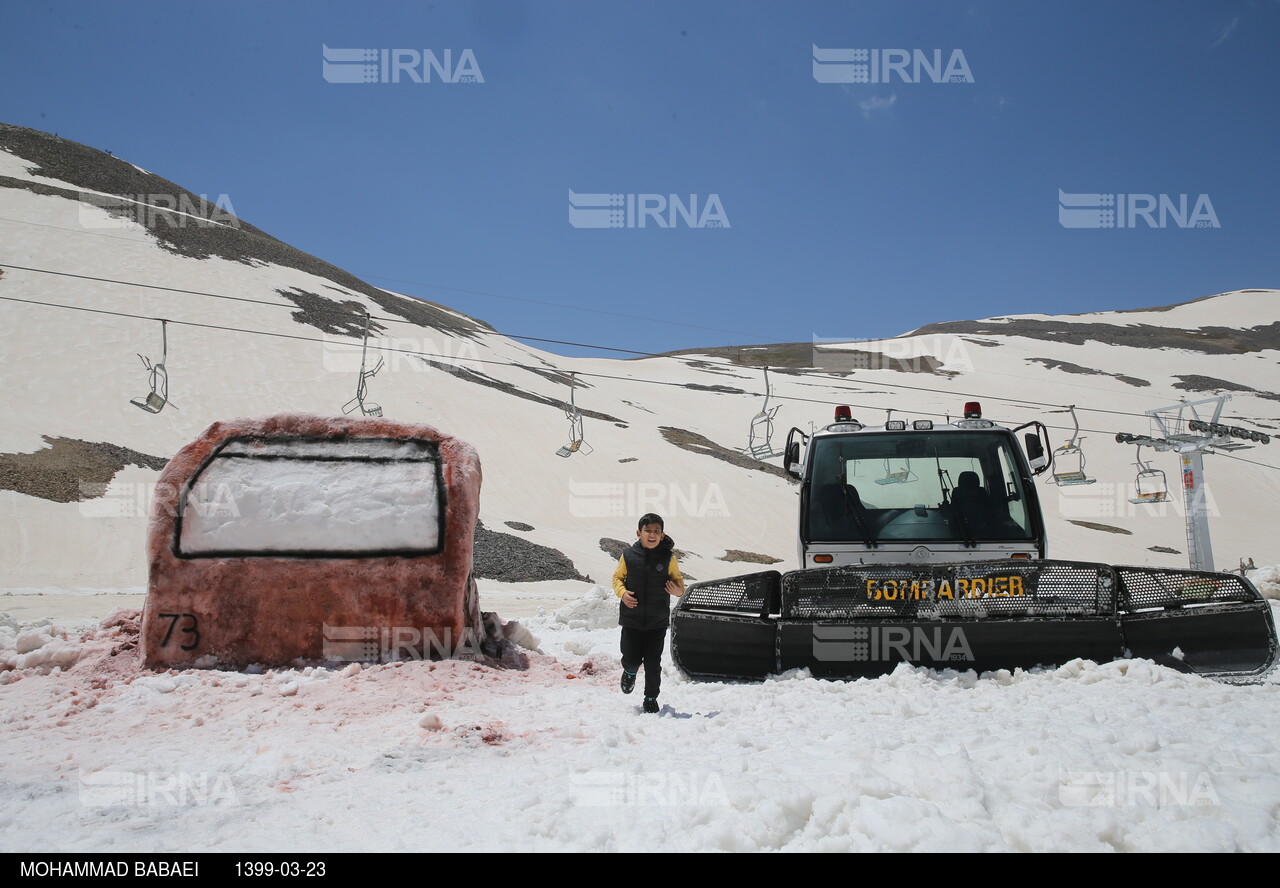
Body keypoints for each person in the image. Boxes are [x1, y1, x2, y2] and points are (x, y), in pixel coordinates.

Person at [612, 513, 685, 713]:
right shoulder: (628, 555)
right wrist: (623, 593)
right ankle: (629, 671)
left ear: (662, 535)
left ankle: (651, 698)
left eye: (656, 531)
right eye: (648, 531)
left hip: (656, 621)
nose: (652, 535)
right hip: (632, 618)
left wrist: (677, 591)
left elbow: (679, 584)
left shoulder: (668, 557)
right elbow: (617, 578)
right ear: (639, 533)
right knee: (631, 657)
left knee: (653, 663)